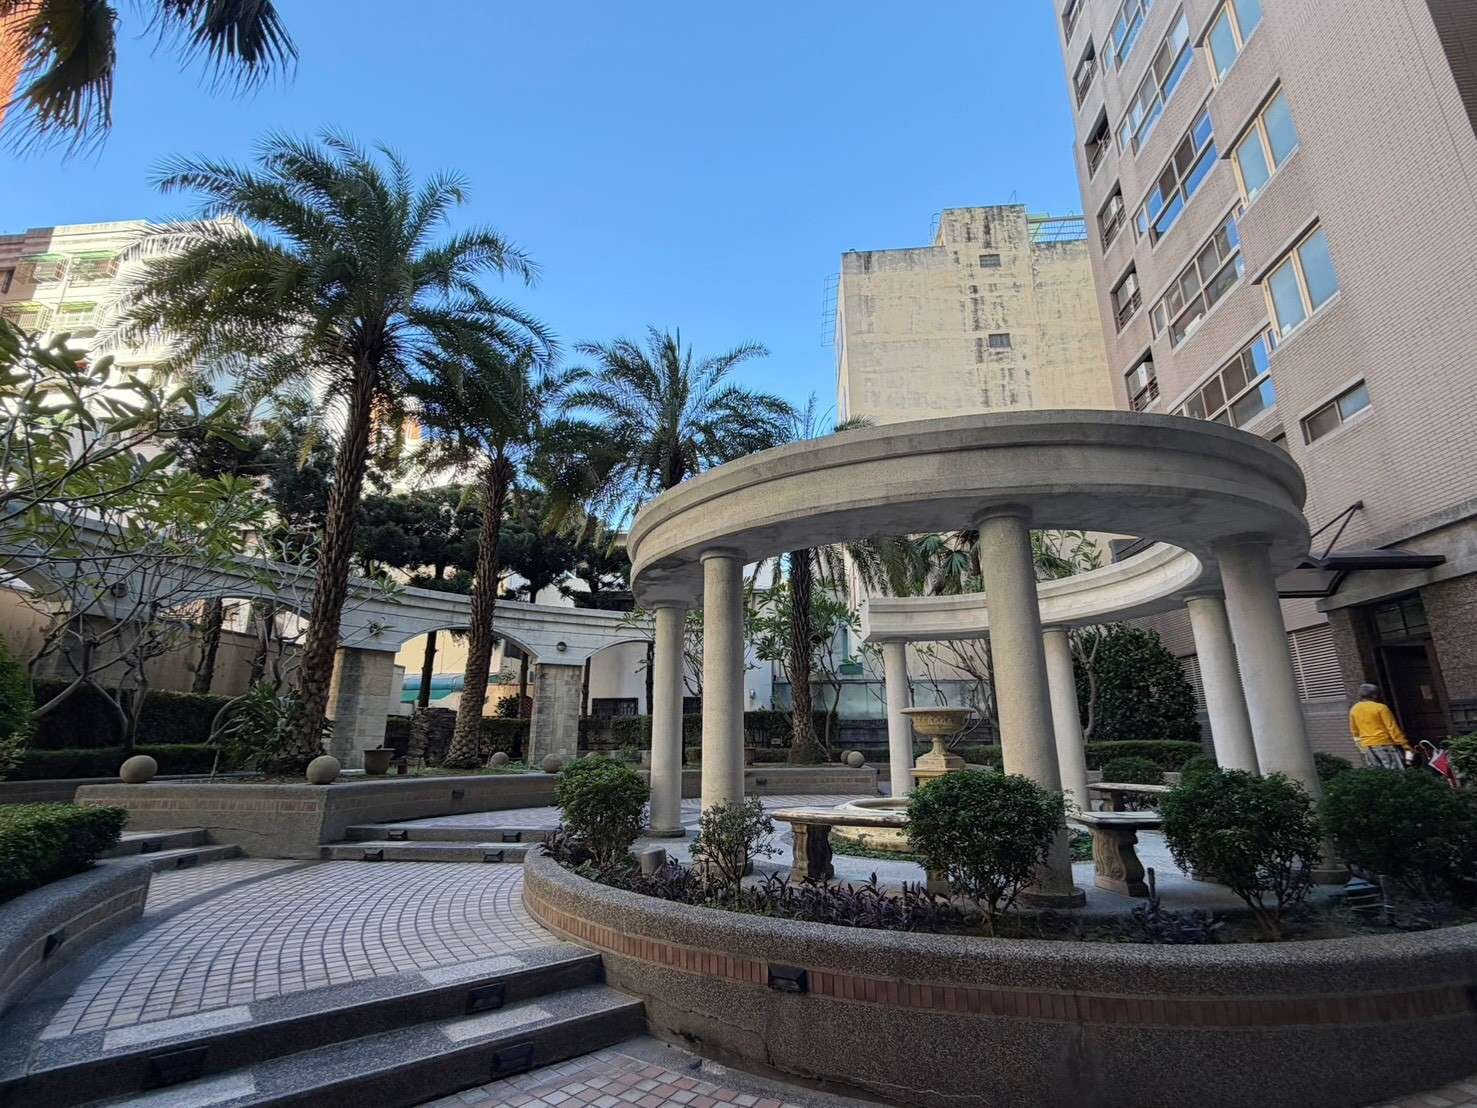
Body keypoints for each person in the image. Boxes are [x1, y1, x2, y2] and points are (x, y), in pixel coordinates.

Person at [1348, 683, 1411, 769]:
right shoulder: (1381, 708)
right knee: (1394, 771)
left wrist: (1362, 749)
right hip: (1384, 744)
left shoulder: (1354, 709)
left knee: (1377, 772)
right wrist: (1404, 744)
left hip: (1367, 747)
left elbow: (1354, 732)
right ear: (1374, 695)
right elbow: (1392, 728)